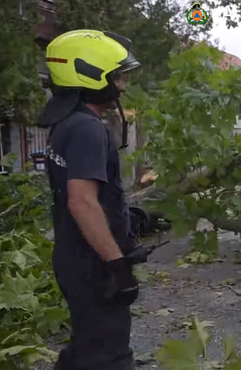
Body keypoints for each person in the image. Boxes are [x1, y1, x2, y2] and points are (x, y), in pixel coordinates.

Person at [38, 29, 142, 370]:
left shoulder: (67, 124)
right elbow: (81, 202)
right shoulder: (87, 129)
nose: (122, 85)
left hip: (74, 257)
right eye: (117, 76)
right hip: (93, 266)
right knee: (109, 356)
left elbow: (90, 195)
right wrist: (117, 266)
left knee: (86, 349)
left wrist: (129, 219)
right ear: (90, 74)